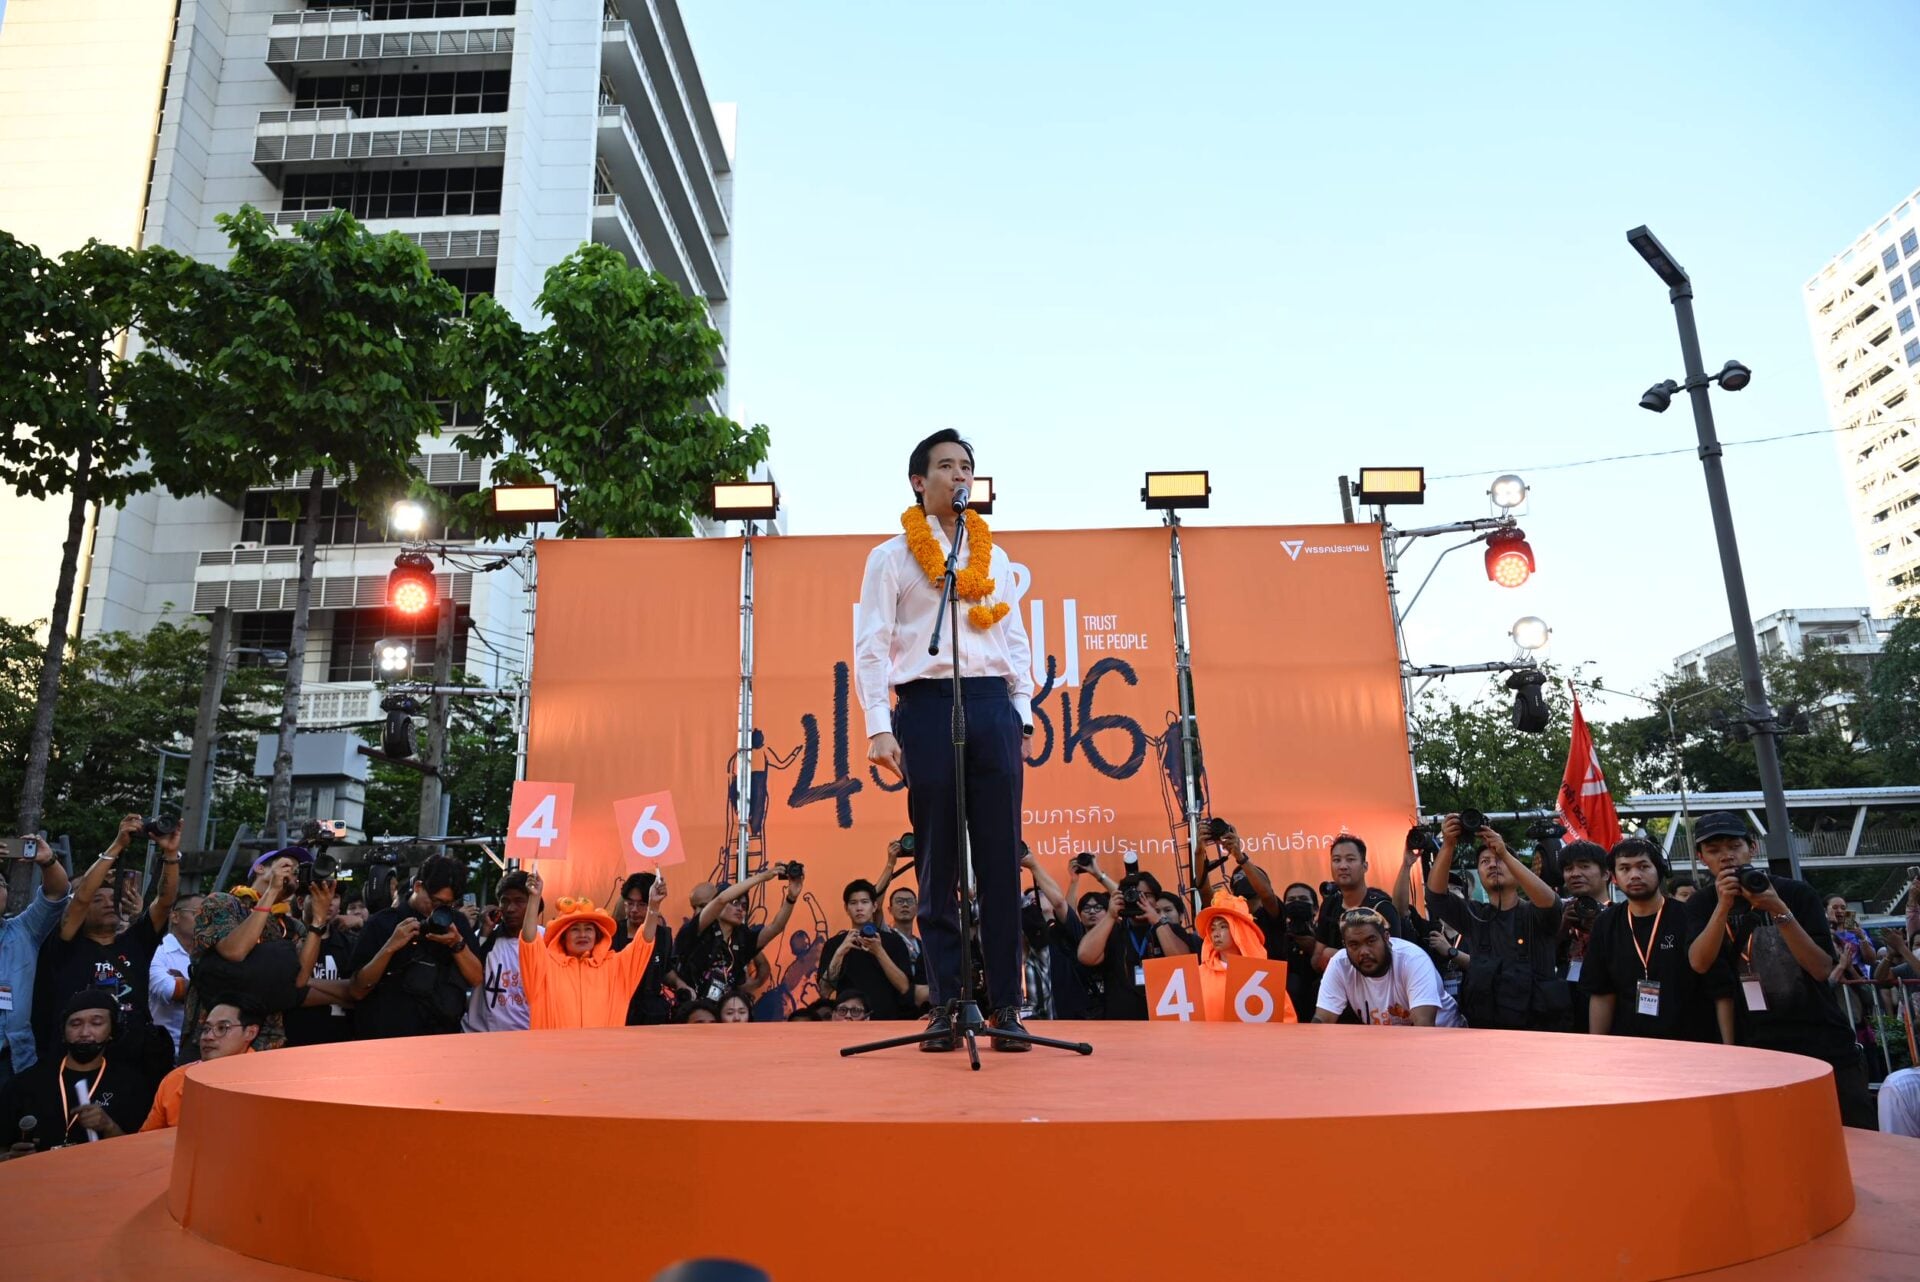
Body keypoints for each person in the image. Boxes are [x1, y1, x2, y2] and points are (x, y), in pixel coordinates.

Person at [856, 428, 1037, 1051]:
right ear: (919, 481)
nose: (960, 476)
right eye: (947, 466)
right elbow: (872, 645)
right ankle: (947, 1005)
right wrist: (878, 724)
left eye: (966, 467)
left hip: (990, 706)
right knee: (936, 863)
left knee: (1000, 863)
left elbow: (1015, 640)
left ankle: (1007, 1006)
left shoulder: (996, 557)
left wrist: (1020, 713)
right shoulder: (890, 557)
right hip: (927, 705)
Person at [1683, 812, 1875, 1129]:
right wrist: (1722, 906)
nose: (1726, 856)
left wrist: (1778, 908)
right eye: (1714, 850)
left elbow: (1820, 968)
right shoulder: (1701, 904)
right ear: (1702, 858)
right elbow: (1699, 962)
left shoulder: (1796, 893)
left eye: (1734, 846)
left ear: (1752, 848)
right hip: (1756, 1046)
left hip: (1822, 1040)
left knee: (1852, 1133)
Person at [33, 814, 179, 1080]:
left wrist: (170, 854)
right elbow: (80, 899)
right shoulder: (65, 946)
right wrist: (118, 845)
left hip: (132, 1068)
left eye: (113, 898)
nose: (108, 903)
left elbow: (165, 901)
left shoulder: (136, 942)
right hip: (74, 1065)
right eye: (97, 900)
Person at [1581, 838, 1733, 1043]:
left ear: (1660, 870)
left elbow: (1720, 989)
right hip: (1629, 1044)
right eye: (1624, 868)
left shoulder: (1689, 916)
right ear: (1614, 877)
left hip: (1691, 1042)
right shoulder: (1606, 923)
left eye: (1643, 866)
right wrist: (1598, 1047)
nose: (1634, 875)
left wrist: (1728, 1048)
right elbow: (1601, 992)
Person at [1424, 815, 1566, 1032]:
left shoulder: (1534, 913)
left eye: (1498, 859)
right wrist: (1448, 845)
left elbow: (1552, 904)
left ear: (1516, 870)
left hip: (1537, 1033)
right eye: (1484, 862)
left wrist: (1505, 853)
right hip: (1485, 1033)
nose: (1492, 864)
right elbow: (1435, 897)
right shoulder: (1475, 915)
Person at [0, 991, 156, 1157]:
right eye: (75, 1024)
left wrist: (109, 1127)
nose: (84, 1032)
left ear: (112, 1030)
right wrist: (11, 1160)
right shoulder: (25, 1084)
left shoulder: (132, 1085)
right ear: (63, 1032)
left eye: (96, 1023)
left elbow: (139, 1156)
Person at [347, 855, 483, 1039]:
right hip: (389, 1039)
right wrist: (390, 947)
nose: (437, 910)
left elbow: (476, 978)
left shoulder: (455, 923)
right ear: (418, 887)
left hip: (441, 1039)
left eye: (447, 905)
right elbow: (356, 990)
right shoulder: (382, 923)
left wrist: (457, 944)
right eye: (435, 902)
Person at [515, 871, 661, 1030]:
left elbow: (643, 943)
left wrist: (653, 905)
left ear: (598, 935)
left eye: (589, 929)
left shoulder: (616, 967)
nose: (583, 934)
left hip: (604, 1047)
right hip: (553, 1047)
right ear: (562, 936)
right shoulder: (544, 967)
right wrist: (534, 898)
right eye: (575, 929)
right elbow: (529, 941)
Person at [0, 834, 71, 1091]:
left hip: (13, 1060)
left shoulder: (24, 930)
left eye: (0, 884)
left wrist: (48, 861)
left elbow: (57, 893)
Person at [1314, 909, 1462, 1027]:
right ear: (1345, 945)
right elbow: (1323, 1019)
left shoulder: (1412, 959)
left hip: (1443, 1041)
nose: (1364, 951)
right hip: (1386, 1044)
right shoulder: (1340, 963)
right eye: (1354, 945)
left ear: (1386, 938)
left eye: (1371, 941)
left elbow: (1424, 1025)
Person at [680, 864, 803, 1005]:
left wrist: (791, 898)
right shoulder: (700, 928)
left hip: (726, 1010)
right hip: (694, 1008)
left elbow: (776, 927)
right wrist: (762, 877)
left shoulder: (743, 937)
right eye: (734, 903)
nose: (740, 909)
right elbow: (721, 899)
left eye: (744, 906)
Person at [1076, 871, 1193, 1020]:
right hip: (1122, 1023)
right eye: (1133, 894)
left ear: (1156, 900)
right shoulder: (1112, 930)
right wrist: (1110, 915)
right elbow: (1085, 956)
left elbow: (1182, 963)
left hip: (1163, 1020)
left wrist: (1157, 921)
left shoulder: (1170, 929)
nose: (1139, 899)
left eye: (1146, 895)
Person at [140, 999, 260, 1132]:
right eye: (206, 1029)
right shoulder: (176, 1079)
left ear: (250, 1032)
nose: (208, 1037)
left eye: (222, 1028)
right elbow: (146, 1139)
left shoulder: (267, 1082)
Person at [819, 879, 918, 1020]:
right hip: (849, 1022)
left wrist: (879, 952)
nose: (859, 908)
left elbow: (904, 988)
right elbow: (824, 991)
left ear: (874, 906)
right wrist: (840, 952)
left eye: (864, 902)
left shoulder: (894, 941)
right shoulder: (834, 944)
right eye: (853, 903)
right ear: (846, 908)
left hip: (887, 1021)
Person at [1195, 891, 1295, 1023]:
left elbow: (1286, 1019)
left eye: (1223, 926)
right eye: (1212, 928)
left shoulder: (1263, 975)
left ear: (1239, 930)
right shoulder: (1197, 975)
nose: (1216, 934)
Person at [1309, 835, 1401, 972]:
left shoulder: (1382, 908)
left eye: (1350, 859)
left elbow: (1393, 961)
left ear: (1365, 866)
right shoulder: (1330, 904)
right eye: (1336, 860)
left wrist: (1338, 957)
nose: (1343, 866)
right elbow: (1317, 959)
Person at [612, 872, 691, 1026]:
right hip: (619, 1008)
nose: (634, 910)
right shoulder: (612, 933)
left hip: (652, 1012)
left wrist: (679, 984)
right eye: (629, 903)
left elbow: (665, 970)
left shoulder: (663, 936)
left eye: (642, 905)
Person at [463, 870, 536, 1033]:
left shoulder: (547, 940)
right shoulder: (484, 935)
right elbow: (470, 976)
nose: (510, 909)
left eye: (519, 901)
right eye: (504, 901)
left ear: (533, 903)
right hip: (480, 1035)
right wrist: (485, 933)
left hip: (527, 1036)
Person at [1555, 840, 1611, 1032]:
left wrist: (1599, 930)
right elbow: (1541, 958)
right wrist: (1562, 929)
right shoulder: (1559, 912)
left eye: (1584, 866)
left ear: (1606, 873)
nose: (1575, 873)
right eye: (1568, 868)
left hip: (1607, 1006)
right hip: (1563, 1007)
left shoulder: (1621, 915)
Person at [147, 891, 203, 1055]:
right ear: (175, 917)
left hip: (200, 1051)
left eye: (209, 914)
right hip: (164, 1050)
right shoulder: (158, 951)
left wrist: (185, 983)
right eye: (198, 913)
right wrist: (210, 986)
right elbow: (169, 989)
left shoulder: (211, 953)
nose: (205, 920)